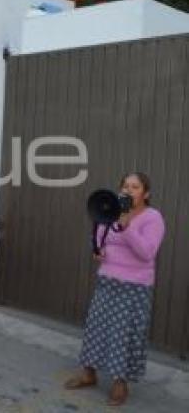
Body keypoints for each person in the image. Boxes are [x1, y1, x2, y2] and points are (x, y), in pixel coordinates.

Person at [64, 172, 165, 407]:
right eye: (125, 186)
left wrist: (127, 226)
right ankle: (89, 374)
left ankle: (120, 384)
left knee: (123, 334)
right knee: (96, 327)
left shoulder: (153, 218)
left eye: (135, 187)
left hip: (134, 286)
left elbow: (147, 253)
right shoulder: (109, 211)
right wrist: (98, 250)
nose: (129, 190)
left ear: (145, 193)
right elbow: (100, 239)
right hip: (107, 280)